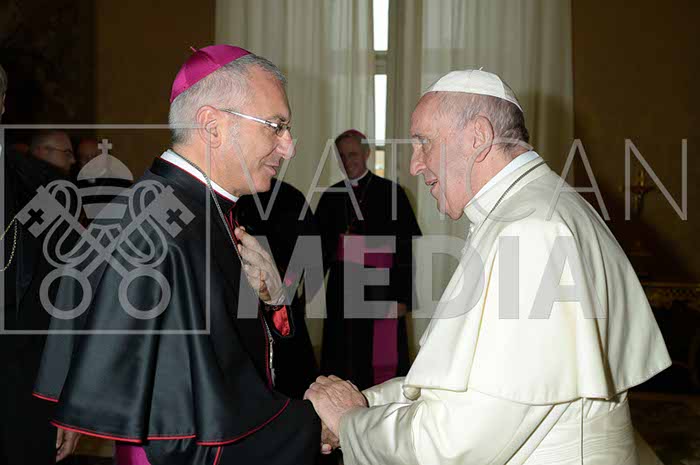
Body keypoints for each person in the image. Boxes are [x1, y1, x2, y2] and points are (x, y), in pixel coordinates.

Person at [305, 69, 672, 464]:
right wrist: (364, 402)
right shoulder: (532, 209)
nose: (414, 165)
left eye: (423, 143)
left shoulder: (531, 232)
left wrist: (351, 423)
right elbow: (465, 386)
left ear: (478, 137)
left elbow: (456, 443)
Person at [33, 45, 320, 465]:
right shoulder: (159, 228)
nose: (289, 147)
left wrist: (273, 299)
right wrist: (312, 422)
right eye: (276, 127)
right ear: (212, 126)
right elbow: (189, 429)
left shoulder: (190, 207)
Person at [0, 66, 80, 464]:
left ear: (1, 104)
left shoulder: (46, 191)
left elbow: (69, 302)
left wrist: (71, 400)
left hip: (21, 402)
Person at [316, 130, 421, 391]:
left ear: (366, 153)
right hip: (342, 291)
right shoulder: (330, 196)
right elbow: (318, 249)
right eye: (342, 156)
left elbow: (404, 251)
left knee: (381, 362)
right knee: (344, 356)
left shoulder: (392, 193)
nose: (347, 161)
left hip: (381, 290)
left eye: (352, 154)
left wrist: (403, 298)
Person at [236, 178, 320, 399]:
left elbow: (310, 250)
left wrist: (292, 290)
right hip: (244, 299)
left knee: (291, 377)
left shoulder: (291, 197)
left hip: (281, 300)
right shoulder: (235, 195)